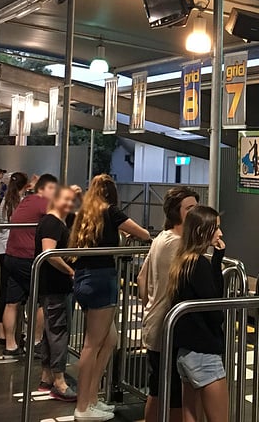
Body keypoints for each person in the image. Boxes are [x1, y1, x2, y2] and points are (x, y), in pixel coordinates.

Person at [69, 174, 151, 422]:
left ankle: (92, 398)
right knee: (92, 344)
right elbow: (144, 233)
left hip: (82, 278)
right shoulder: (111, 212)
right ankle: (83, 406)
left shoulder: (84, 213)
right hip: (102, 279)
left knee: (110, 339)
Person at [138, 186, 201, 422]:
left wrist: (150, 304)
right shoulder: (176, 244)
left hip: (156, 323)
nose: (195, 213)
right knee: (172, 395)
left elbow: (141, 278)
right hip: (168, 328)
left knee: (158, 389)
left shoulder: (161, 238)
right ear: (176, 212)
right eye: (189, 208)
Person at [168, 205, 228, 422]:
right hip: (204, 352)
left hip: (186, 353)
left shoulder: (183, 261)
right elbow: (215, 309)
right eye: (216, 228)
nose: (220, 233)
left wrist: (217, 260)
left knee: (191, 415)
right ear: (202, 231)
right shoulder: (199, 264)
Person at [3, 173, 58, 357]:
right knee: (43, 300)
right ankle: (34, 341)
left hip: (11, 255)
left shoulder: (26, 201)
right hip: (29, 257)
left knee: (12, 302)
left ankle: (10, 344)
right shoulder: (43, 202)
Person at [35, 186, 78, 402]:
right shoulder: (52, 223)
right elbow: (49, 253)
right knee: (59, 331)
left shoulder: (54, 221)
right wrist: (70, 271)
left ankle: (47, 376)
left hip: (53, 286)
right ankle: (59, 381)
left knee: (50, 332)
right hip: (55, 286)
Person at [0, 171, 30, 345]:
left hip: (1, 248)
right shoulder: (23, 203)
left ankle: (1, 332)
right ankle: (17, 332)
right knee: (17, 294)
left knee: (4, 290)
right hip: (16, 249)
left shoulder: (4, 201)